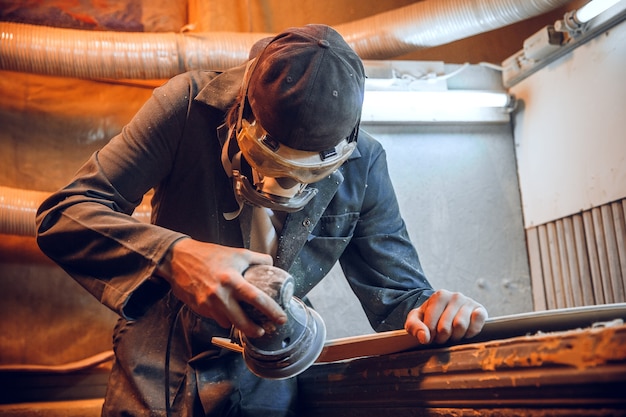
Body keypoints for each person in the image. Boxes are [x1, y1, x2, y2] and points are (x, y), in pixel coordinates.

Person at [36, 24, 487, 417]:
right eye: (269, 161)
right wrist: (177, 255)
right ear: (243, 109)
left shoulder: (363, 162)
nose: (282, 189)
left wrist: (435, 311)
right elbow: (64, 214)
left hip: (272, 362)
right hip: (160, 355)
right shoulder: (188, 105)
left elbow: (401, 298)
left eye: (306, 172)